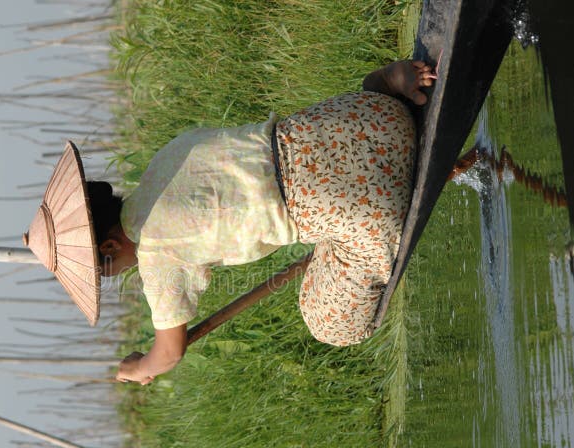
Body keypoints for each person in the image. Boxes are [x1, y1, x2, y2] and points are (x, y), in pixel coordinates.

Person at [23, 60, 436, 385]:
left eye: (108, 271)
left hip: (368, 204)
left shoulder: (155, 254)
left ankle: (348, 232)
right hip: (372, 120)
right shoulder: (164, 159)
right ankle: (387, 82)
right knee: (363, 96)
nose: (119, 273)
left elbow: (169, 352)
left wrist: (140, 367)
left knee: (326, 322)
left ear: (109, 248)